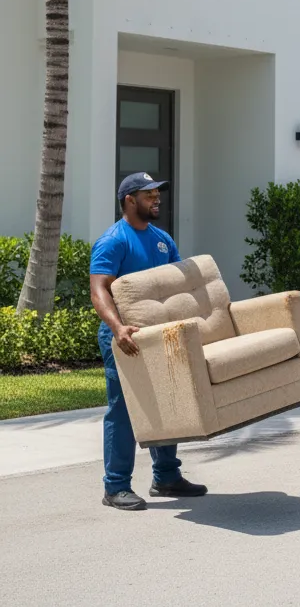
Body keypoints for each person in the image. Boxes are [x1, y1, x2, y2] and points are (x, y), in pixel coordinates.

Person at [89, 172, 208, 510]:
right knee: (124, 410)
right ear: (129, 200)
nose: (157, 199)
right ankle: (115, 487)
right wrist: (117, 328)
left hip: (161, 335)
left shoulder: (162, 239)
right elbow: (99, 290)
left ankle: (166, 476)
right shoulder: (113, 241)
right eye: (148, 195)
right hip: (124, 336)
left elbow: (175, 288)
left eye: (157, 193)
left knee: (169, 402)